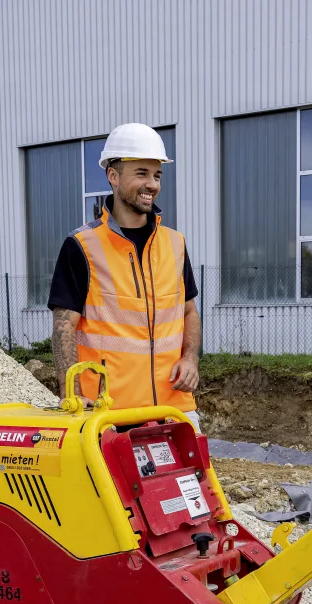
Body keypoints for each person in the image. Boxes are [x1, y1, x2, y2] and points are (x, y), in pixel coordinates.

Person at [48, 123, 203, 430]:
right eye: (142, 173)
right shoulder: (82, 246)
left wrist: (191, 359)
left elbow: (188, 311)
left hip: (173, 409)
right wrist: (72, 392)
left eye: (157, 175)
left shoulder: (175, 243)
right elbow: (64, 324)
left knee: (193, 481)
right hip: (109, 414)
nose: (152, 184)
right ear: (114, 176)